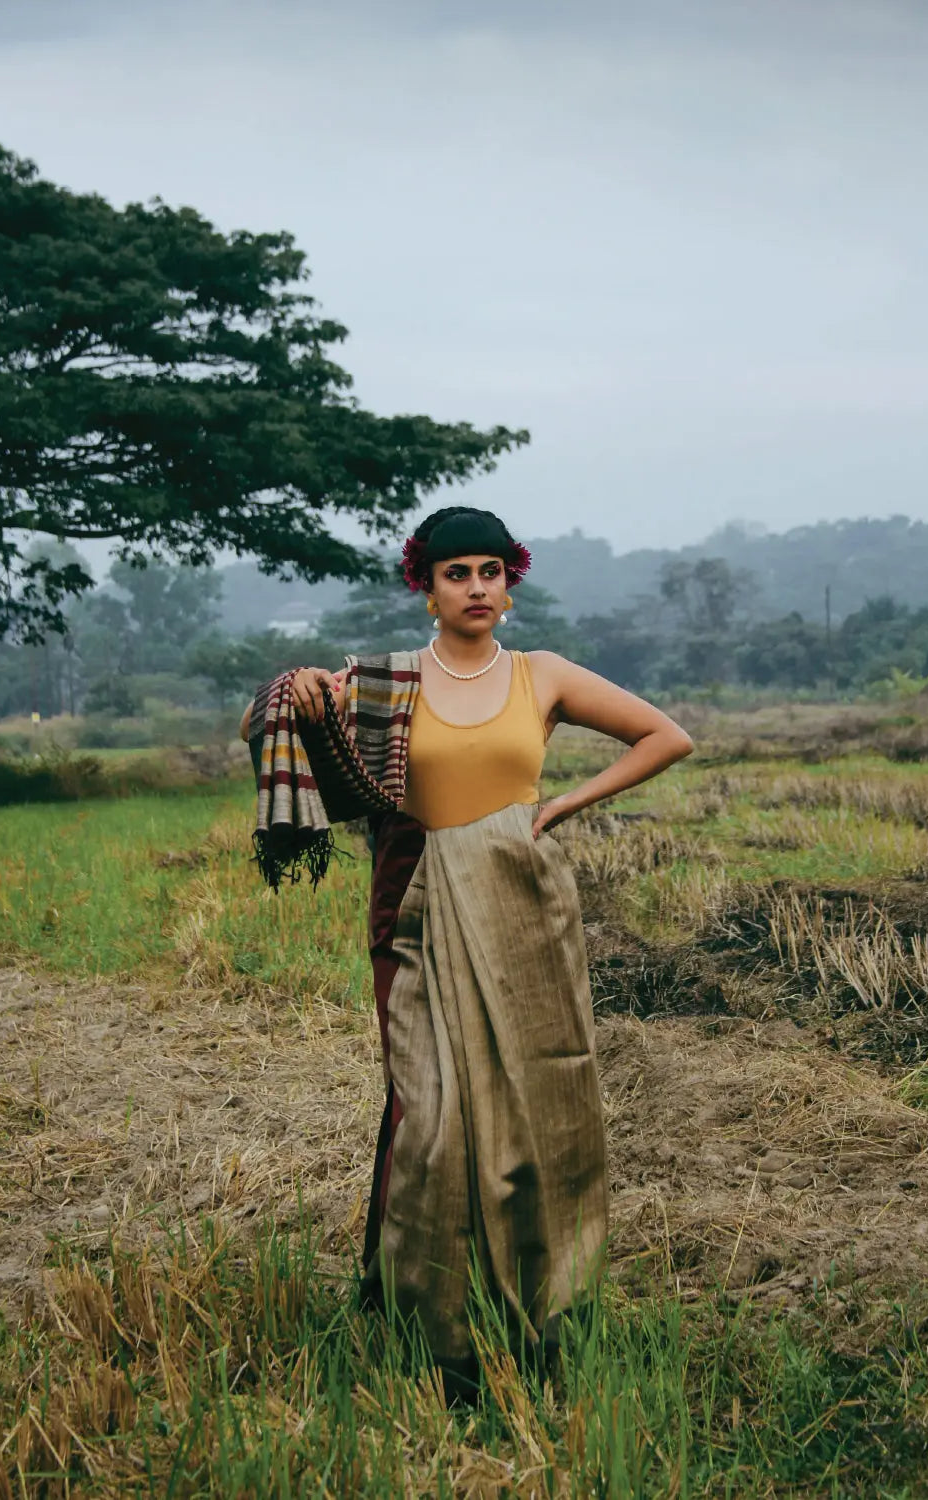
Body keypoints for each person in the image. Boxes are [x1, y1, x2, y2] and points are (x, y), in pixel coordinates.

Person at [240, 504, 693, 1389]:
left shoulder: (544, 675)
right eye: (458, 573)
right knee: (434, 1118)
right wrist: (295, 693)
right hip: (413, 905)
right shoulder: (388, 680)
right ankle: (431, 1326)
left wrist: (561, 806)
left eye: (492, 571)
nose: (478, 587)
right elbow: (277, 729)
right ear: (427, 588)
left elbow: (665, 736)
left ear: (510, 584)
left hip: (524, 908)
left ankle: (543, 1307)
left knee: (538, 1107)